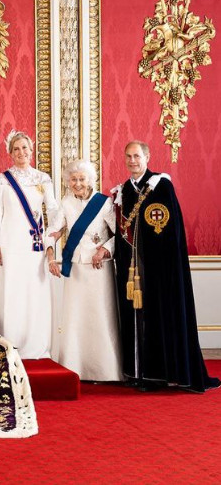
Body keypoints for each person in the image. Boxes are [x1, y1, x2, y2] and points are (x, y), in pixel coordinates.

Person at [112, 141, 219, 392]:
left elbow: (170, 230)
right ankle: (136, 373)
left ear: (147, 157)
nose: (132, 161)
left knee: (158, 317)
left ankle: (160, 375)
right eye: (128, 156)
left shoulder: (160, 186)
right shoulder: (123, 191)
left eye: (137, 156)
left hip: (159, 269)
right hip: (131, 270)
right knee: (134, 318)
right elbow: (121, 231)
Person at [45, 160, 122, 382]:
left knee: (100, 316)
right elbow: (53, 231)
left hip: (100, 268)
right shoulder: (66, 202)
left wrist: (105, 250)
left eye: (81, 179)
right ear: (68, 182)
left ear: (90, 180)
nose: (77, 183)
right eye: (73, 179)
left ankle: (106, 371)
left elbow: (120, 234)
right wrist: (50, 255)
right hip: (77, 267)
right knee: (76, 318)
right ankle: (76, 367)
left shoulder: (104, 203)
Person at [0, 130, 59, 359]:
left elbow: (53, 209)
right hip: (10, 244)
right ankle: (13, 342)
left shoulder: (43, 178)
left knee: (35, 292)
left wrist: (56, 230)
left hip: (35, 246)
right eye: (16, 149)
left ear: (32, 150)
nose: (21, 152)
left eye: (25, 148)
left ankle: (37, 342)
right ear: (10, 153)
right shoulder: (2, 179)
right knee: (13, 291)